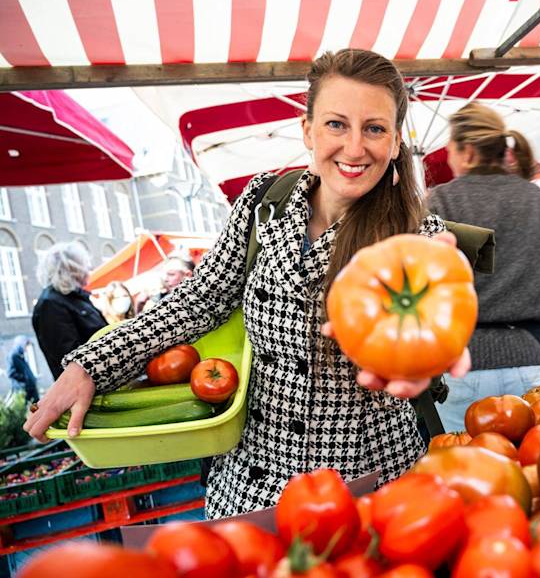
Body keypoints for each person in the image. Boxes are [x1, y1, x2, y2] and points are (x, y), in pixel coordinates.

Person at [24, 49, 469, 519]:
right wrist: (91, 366)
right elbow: (199, 301)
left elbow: (436, 334)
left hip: (368, 487)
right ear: (307, 130)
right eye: (337, 124)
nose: (355, 148)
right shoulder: (263, 203)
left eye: (374, 128)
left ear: (396, 142)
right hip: (253, 486)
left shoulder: (415, 239)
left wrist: (425, 360)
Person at [427, 102, 540, 433]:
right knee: (536, 477)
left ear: (465, 152)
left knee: (468, 476)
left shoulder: (439, 203)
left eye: (449, 149)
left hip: (461, 369)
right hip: (535, 366)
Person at [31, 242, 107, 380]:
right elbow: (71, 359)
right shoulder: (51, 304)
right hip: (89, 390)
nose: (88, 269)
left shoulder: (73, 297)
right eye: (84, 264)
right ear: (73, 268)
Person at [6, 336, 39, 403]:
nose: (26, 348)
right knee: (28, 409)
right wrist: (25, 378)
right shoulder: (13, 356)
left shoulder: (21, 355)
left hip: (31, 387)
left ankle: (37, 413)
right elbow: (11, 373)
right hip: (23, 389)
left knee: (36, 407)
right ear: (21, 344)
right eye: (26, 345)